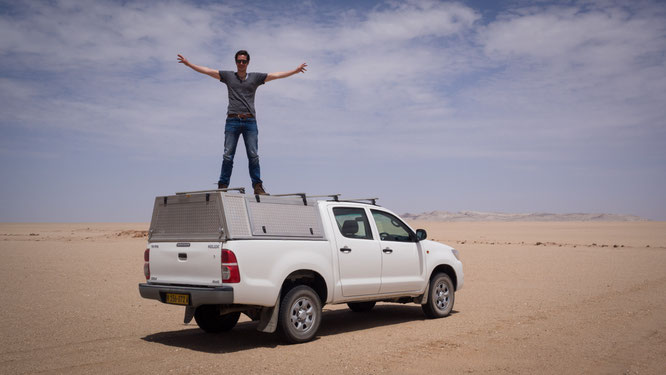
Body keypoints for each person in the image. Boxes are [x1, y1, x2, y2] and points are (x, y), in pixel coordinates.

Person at [177, 51, 307, 195]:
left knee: (253, 155)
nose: (241, 64)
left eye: (244, 61)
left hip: (250, 121)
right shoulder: (228, 76)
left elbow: (275, 75)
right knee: (228, 155)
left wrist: (294, 71)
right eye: (239, 61)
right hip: (232, 120)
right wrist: (189, 64)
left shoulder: (255, 78)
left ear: (248, 63)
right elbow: (208, 71)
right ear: (236, 62)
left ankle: (257, 187)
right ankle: (222, 186)